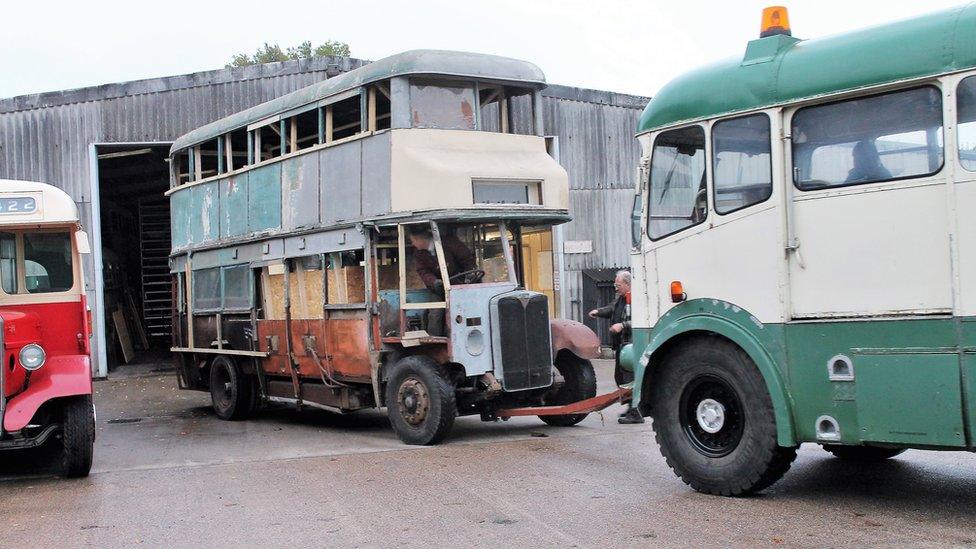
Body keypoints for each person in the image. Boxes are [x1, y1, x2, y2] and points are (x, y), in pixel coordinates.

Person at [589, 270, 643, 424]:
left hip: (631, 346)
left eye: (618, 285)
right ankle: (631, 408)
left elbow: (641, 322)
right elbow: (612, 309)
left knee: (628, 378)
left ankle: (636, 412)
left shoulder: (635, 300)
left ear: (627, 284)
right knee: (620, 377)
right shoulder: (621, 299)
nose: (615, 287)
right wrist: (598, 312)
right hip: (622, 345)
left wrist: (623, 325)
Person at [407, 225, 477, 335]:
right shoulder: (419, 254)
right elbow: (423, 271)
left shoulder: (449, 243)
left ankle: (467, 334)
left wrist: (469, 274)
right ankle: (435, 341)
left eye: (413, 241)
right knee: (435, 313)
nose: (413, 244)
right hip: (438, 287)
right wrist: (433, 282)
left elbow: (467, 259)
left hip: (459, 283)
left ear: (420, 239)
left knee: (464, 309)